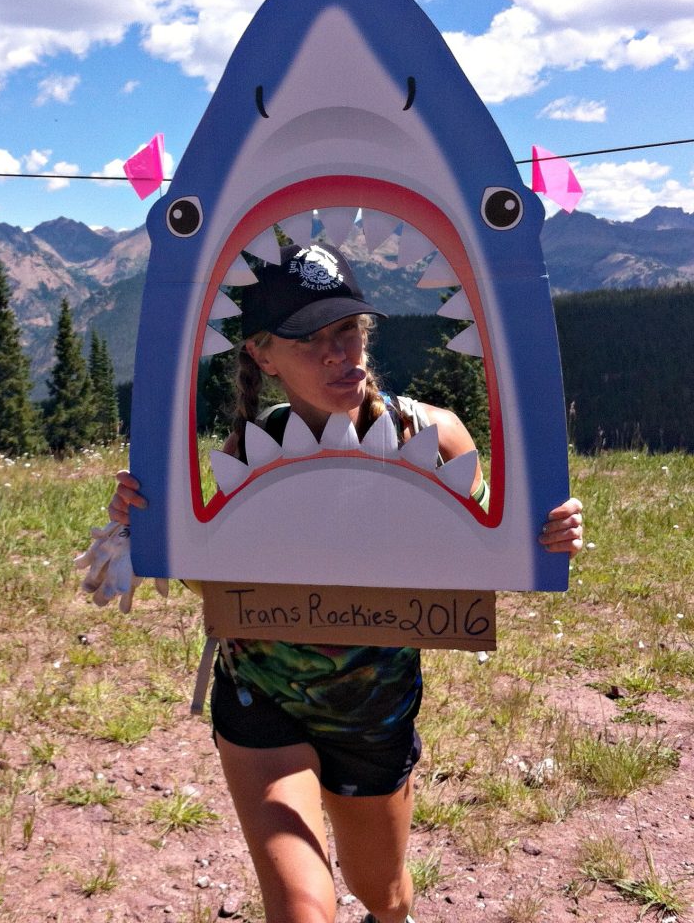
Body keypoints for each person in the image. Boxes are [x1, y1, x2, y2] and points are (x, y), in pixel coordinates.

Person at [108, 242, 584, 923]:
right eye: (310, 339)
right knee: (303, 907)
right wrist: (147, 526)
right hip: (259, 696)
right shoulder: (249, 447)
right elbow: (213, 586)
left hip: (373, 712)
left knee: (383, 894)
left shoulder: (434, 434)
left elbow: (484, 560)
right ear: (264, 355)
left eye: (348, 330)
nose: (340, 353)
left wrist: (545, 536)